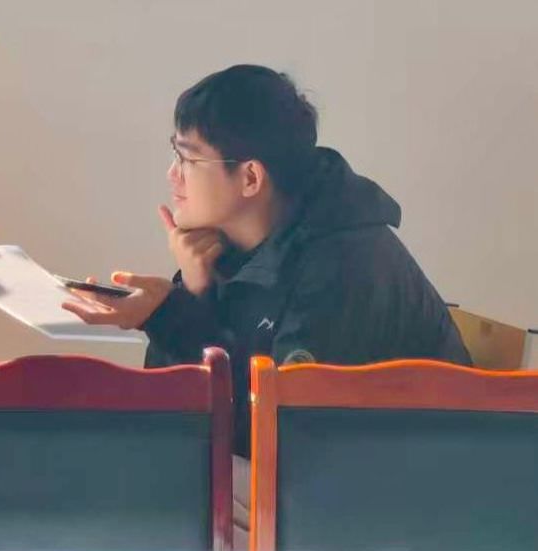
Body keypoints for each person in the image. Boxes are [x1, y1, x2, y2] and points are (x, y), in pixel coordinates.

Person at [63, 65, 471, 548]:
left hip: (406, 504)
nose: (173, 175)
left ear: (251, 177)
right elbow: (186, 412)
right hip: (320, 483)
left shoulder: (344, 262)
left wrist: (172, 315)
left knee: (161, 495)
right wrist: (191, 296)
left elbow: (283, 433)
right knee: (139, 477)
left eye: (187, 158)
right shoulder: (229, 248)